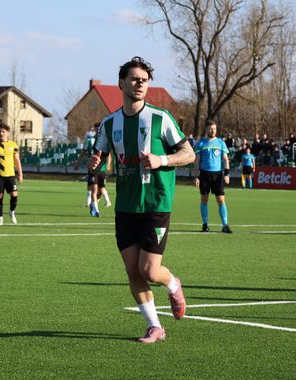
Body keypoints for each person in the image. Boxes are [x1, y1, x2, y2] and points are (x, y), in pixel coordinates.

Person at [88, 56, 195, 344]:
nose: (140, 84)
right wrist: (95, 165)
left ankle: (173, 285)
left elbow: (189, 154)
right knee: (132, 270)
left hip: (156, 202)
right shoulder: (109, 124)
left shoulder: (161, 118)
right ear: (121, 83)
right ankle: (154, 326)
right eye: (135, 79)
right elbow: (99, 159)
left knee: (149, 270)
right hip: (126, 206)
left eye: (144, 80)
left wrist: (162, 160)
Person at [194, 120, 232, 233]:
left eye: (214, 129)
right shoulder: (201, 143)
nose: (213, 131)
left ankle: (225, 225)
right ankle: (205, 224)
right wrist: (196, 176)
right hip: (204, 174)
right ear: (206, 129)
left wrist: (227, 174)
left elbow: (225, 159)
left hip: (218, 175)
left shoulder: (221, 143)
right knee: (204, 199)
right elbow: (197, 161)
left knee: (221, 200)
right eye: (211, 129)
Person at [0, 124, 23, 225]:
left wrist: (20, 174)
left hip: (10, 174)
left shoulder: (13, 145)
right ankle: (0, 218)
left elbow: (17, 160)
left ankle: (12, 212)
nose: (1, 133)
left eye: (3, 132)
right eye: (0, 132)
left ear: (7, 133)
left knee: (14, 195)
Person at [74, 123, 112, 216]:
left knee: (100, 190)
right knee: (94, 189)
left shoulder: (105, 140)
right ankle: (96, 210)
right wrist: (77, 163)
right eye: (97, 129)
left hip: (102, 169)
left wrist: (108, 164)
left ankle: (92, 204)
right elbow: (83, 152)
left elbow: (108, 154)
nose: (98, 130)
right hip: (93, 168)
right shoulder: (90, 140)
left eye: (100, 129)